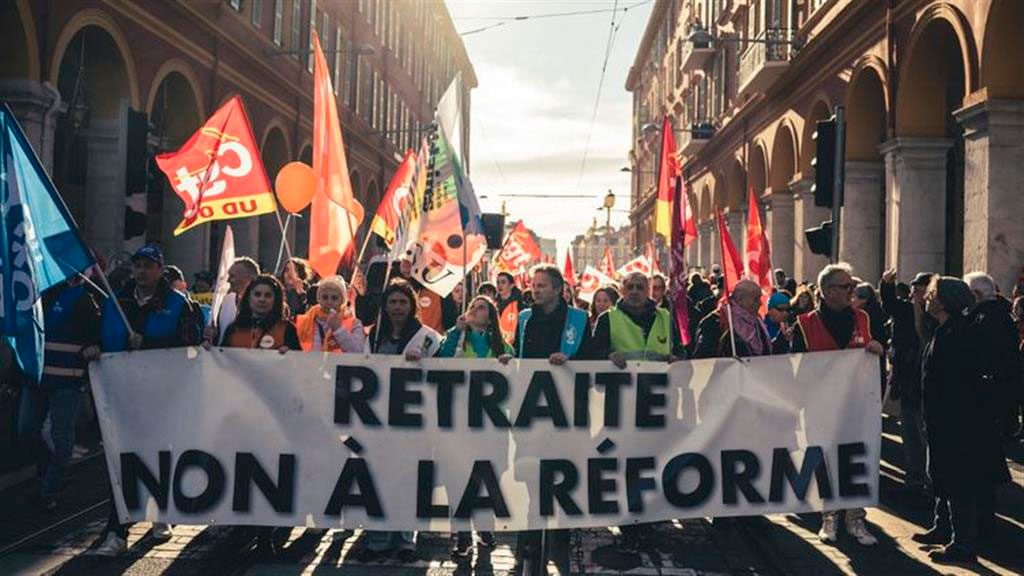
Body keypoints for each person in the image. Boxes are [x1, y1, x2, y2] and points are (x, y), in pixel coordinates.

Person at [94, 245, 204, 556]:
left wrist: (150, 342)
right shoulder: (117, 300)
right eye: (137, 265)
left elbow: (190, 344)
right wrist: (89, 348)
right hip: (121, 393)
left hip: (163, 393)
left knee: (158, 456)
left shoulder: (178, 304)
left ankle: (158, 513)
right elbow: (98, 335)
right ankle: (116, 531)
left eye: (148, 265)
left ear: (160, 269)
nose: (142, 271)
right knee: (123, 459)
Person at [912, 277, 1012, 564]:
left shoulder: (959, 333)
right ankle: (943, 528)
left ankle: (963, 545)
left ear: (945, 301)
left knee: (958, 484)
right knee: (943, 477)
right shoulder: (944, 329)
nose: (926, 299)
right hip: (943, 421)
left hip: (957, 424)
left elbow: (958, 383)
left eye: (931, 295)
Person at [791, 263, 883, 547]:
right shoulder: (804, 324)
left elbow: (875, 354)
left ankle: (855, 518)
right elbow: (793, 367)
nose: (852, 292)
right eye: (847, 287)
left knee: (856, 459)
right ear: (829, 291)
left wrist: (877, 350)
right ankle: (829, 517)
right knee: (825, 462)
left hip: (857, 406)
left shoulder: (863, 318)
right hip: (820, 406)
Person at [511, 264, 592, 575]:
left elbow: (592, 359)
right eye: (534, 284)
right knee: (530, 473)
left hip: (565, 410)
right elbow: (516, 354)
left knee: (561, 473)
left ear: (559, 289)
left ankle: (560, 534)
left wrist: (570, 361)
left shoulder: (579, 320)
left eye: (542, 285)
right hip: (531, 408)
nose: (536, 289)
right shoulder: (524, 318)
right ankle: (530, 536)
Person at [361, 279, 439, 560]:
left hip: (414, 420)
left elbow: (443, 374)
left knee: (409, 478)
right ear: (385, 306)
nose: (397, 307)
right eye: (392, 302)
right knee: (378, 477)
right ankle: (378, 539)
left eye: (403, 302)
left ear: (412, 306)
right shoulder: (372, 337)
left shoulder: (428, 338)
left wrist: (425, 362)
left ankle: (406, 538)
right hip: (379, 419)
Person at [18, 276, 102, 511]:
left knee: (61, 436)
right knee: (26, 431)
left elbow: (96, 335)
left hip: (67, 380)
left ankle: (49, 489)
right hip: (37, 380)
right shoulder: (39, 297)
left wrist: (92, 347)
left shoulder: (83, 300)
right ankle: (47, 477)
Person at [436, 295, 510, 557]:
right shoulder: (457, 337)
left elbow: (514, 367)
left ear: (490, 316)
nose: (475, 311)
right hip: (460, 420)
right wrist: (457, 331)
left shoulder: (500, 343)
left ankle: (485, 527)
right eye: (472, 307)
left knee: (487, 478)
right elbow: (442, 356)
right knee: (458, 476)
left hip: (490, 423)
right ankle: (463, 535)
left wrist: (506, 363)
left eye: (481, 308)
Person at [879, 270, 934, 492]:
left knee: (925, 435)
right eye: (914, 289)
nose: (915, 293)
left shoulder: (937, 314)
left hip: (929, 385)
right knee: (910, 433)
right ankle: (914, 477)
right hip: (908, 380)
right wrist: (886, 284)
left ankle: (929, 480)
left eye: (919, 289)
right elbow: (889, 305)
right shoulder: (905, 309)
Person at [294, 276, 364, 353]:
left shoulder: (355, 324)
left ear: (343, 300)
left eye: (334, 298)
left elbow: (358, 352)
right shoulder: (302, 321)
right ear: (319, 299)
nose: (329, 302)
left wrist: (338, 329)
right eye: (325, 297)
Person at [207, 257, 261, 345]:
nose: (228, 280)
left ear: (250, 279)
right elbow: (220, 334)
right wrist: (213, 334)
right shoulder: (227, 300)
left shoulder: (265, 304)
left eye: (233, 276)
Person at [719, 280, 773, 358]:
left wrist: (783, 338)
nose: (760, 303)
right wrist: (727, 361)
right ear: (740, 300)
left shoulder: (757, 321)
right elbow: (704, 360)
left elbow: (767, 353)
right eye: (756, 299)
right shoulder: (720, 320)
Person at [495, 271, 523, 346]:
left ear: (511, 285)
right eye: (498, 282)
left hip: (515, 346)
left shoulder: (520, 304)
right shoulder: (494, 304)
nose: (499, 285)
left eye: (503, 282)